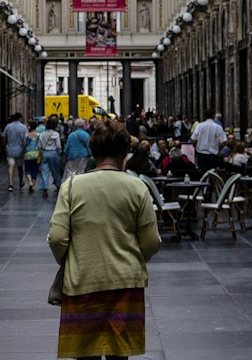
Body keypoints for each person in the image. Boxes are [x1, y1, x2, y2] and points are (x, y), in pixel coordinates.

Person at [48, 120, 161, 360]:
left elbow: (57, 238)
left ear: (94, 151)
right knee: (119, 355)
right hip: (125, 283)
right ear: (124, 153)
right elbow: (151, 242)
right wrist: (136, 257)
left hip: (82, 282)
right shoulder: (137, 187)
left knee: (84, 354)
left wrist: (69, 259)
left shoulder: (71, 187)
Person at [191, 107, 226, 172]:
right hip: (213, 156)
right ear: (213, 116)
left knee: (202, 174)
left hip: (201, 155)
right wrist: (217, 147)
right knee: (212, 174)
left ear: (204, 116)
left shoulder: (199, 126)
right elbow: (223, 142)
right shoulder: (218, 127)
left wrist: (196, 146)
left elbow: (193, 140)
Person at [39, 114, 64, 198]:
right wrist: (59, 152)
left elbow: (39, 146)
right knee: (55, 171)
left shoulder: (42, 134)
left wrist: (42, 153)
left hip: (45, 153)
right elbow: (58, 146)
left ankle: (45, 188)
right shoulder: (56, 134)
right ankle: (58, 185)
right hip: (54, 153)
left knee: (44, 171)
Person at [3, 113, 28, 192]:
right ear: (20, 118)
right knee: (20, 167)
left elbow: (4, 137)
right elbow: (26, 138)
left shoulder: (8, 126)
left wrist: (4, 146)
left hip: (10, 149)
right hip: (20, 149)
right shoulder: (23, 127)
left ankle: (10, 184)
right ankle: (20, 181)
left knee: (11, 166)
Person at [24, 123, 43, 191]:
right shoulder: (38, 135)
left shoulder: (27, 135)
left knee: (27, 169)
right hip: (36, 154)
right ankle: (33, 184)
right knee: (34, 169)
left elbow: (24, 144)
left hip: (28, 154)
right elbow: (40, 144)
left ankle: (30, 182)